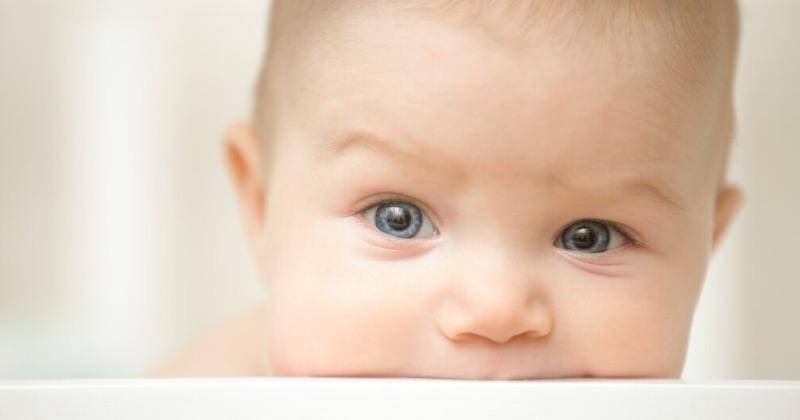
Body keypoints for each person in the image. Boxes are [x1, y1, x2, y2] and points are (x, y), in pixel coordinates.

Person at [155, 0, 744, 379]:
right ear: (261, 205)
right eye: (397, 217)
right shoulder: (203, 392)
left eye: (590, 237)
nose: (496, 310)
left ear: (707, 243)